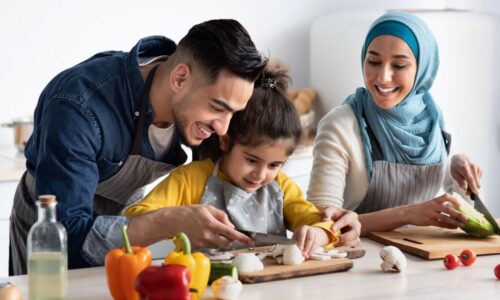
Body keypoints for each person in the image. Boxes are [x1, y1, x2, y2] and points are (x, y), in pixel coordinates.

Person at [9, 19, 268, 275]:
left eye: (233, 113)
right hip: (51, 221)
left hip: (121, 220)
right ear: (179, 78)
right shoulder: (79, 107)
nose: (223, 128)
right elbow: (70, 239)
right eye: (217, 108)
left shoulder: (201, 104)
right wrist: (169, 221)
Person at [125, 62, 339, 257]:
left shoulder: (281, 185)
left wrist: (316, 233)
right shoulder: (190, 179)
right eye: (252, 160)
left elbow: (320, 223)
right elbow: (134, 216)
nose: (261, 174)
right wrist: (179, 218)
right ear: (226, 141)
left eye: (274, 165)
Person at [307, 11, 483, 236]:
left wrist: (461, 172)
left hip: (423, 260)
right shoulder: (340, 125)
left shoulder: (431, 122)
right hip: (359, 260)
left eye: (399, 66)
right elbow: (318, 222)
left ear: (422, 69)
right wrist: (406, 214)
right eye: (373, 62)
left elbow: (469, 215)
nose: (382, 77)